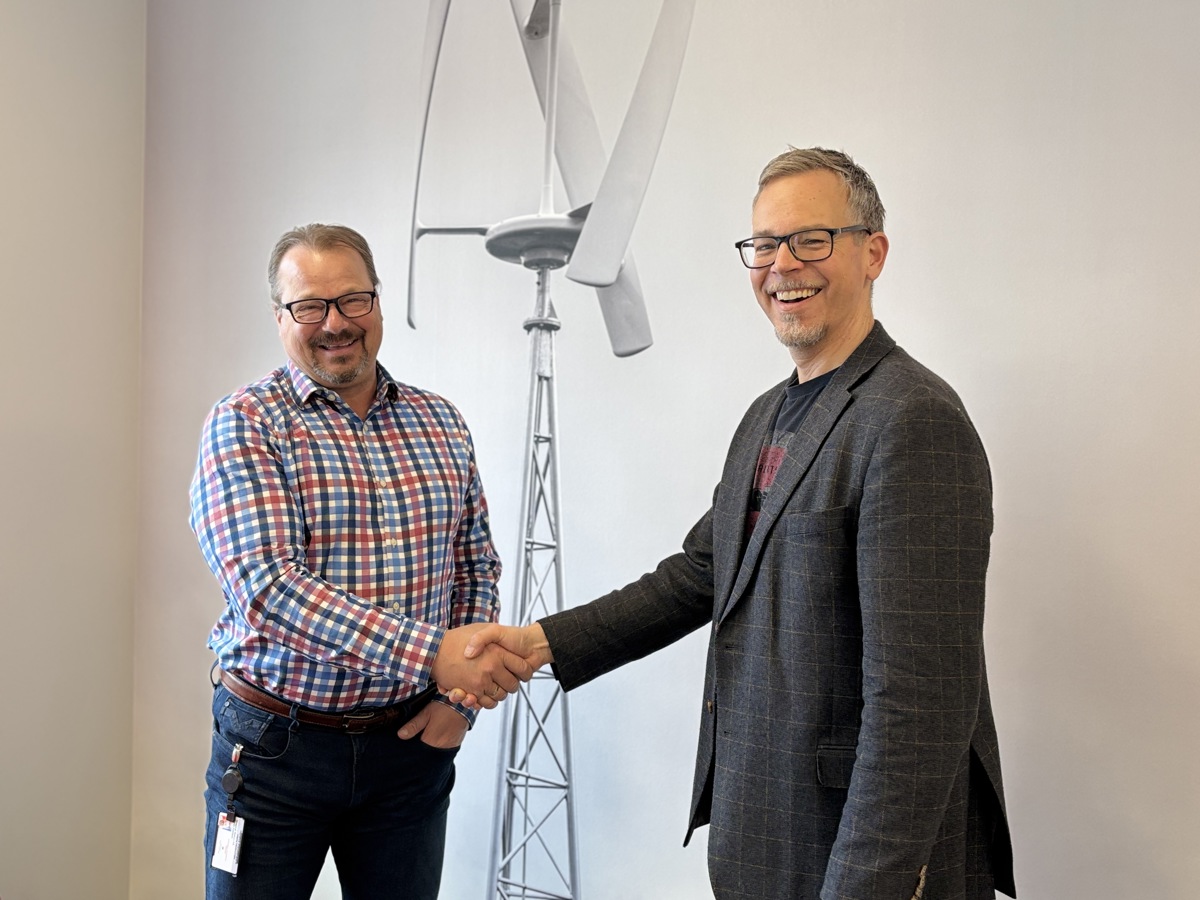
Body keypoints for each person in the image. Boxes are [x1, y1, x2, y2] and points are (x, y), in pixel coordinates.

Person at [455, 149, 1016, 900]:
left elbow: (921, 704)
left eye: (812, 239)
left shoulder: (914, 422)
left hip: (856, 858)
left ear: (873, 253)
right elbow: (699, 574)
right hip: (765, 838)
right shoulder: (765, 417)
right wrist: (539, 643)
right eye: (765, 244)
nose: (783, 265)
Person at [190, 223, 530, 900]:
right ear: (280, 317)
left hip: (409, 751)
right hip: (275, 752)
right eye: (309, 306)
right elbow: (269, 590)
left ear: (376, 300)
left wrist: (457, 700)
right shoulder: (245, 423)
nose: (336, 323)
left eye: (353, 299)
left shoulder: (440, 422)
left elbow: (474, 565)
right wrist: (434, 655)